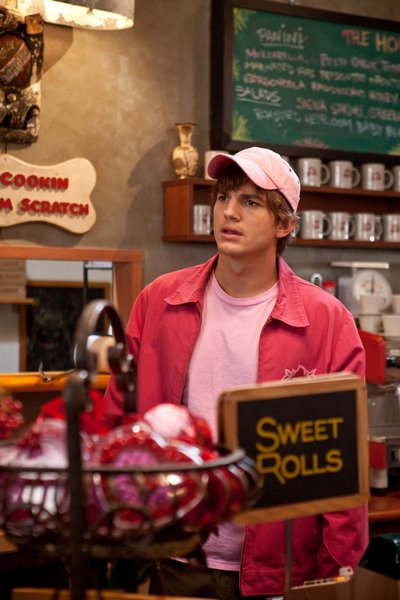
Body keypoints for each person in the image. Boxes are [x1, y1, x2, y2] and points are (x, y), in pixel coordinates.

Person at [104, 147, 368, 599]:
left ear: (284, 224)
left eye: (250, 202)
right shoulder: (159, 301)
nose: (228, 212)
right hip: (176, 552)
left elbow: (344, 463)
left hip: (282, 567)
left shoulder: (327, 321)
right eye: (223, 197)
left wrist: (336, 567)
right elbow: (118, 419)